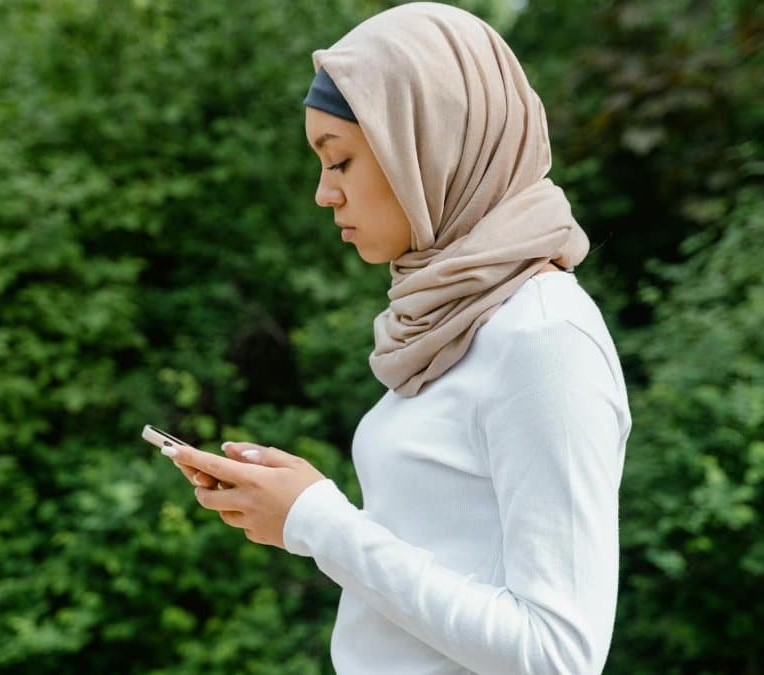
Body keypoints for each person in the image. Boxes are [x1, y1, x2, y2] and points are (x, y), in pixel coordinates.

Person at [160, 3, 633, 673]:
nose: (325, 194)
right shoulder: (454, 323)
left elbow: (557, 654)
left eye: (342, 160)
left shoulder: (545, 338)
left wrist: (319, 521)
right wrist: (298, 514)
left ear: (426, 146)